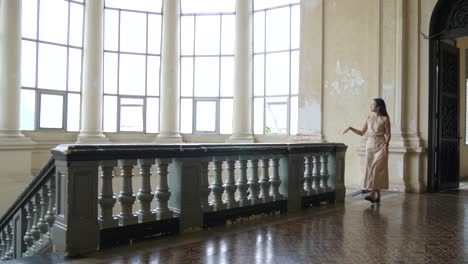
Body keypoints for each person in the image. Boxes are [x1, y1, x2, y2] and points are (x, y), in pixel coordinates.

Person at [343, 98, 391, 203]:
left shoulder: (385, 119)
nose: (370, 106)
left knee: (376, 170)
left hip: (381, 145)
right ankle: (378, 195)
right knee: (371, 170)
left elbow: (388, 134)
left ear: (378, 106)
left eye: (373, 104)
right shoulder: (369, 118)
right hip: (369, 146)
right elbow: (361, 132)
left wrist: (386, 145)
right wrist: (351, 128)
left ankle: (372, 194)